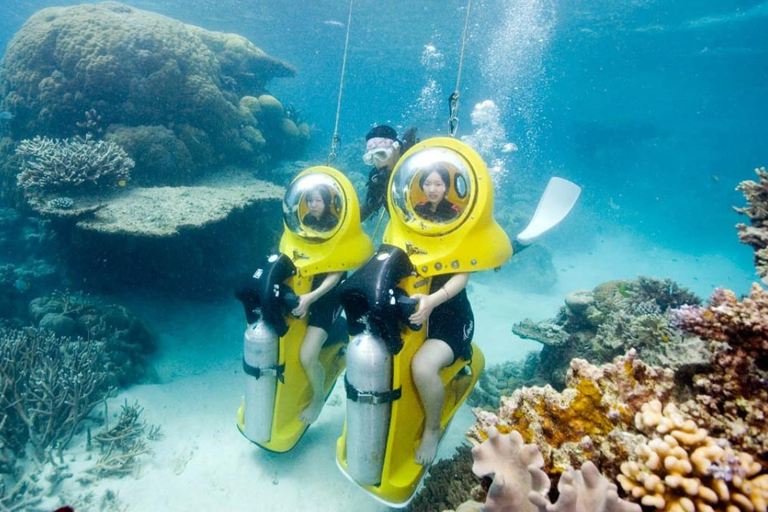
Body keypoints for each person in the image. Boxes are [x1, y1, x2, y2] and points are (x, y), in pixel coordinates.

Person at [407, 162, 473, 466]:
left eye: (438, 184)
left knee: (421, 367)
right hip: (421, 305)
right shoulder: (414, 213)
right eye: (428, 183)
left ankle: (431, 429)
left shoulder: (458, 218)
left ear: (447, 187)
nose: (433, 189)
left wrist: (433, 300)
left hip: (452, 314)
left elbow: (462, 276)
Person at [291, 267, 344, 425]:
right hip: (301, 292)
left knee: (307, 356)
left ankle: (318, 398)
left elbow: (338, 272)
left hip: (327, 300)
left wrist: (310, 298)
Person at [360, 125, 418, 222]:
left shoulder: (416, 166)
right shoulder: (376, 178)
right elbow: (369, 206)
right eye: (372, 158)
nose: (378, 162)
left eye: (382, 154)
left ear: (397, 148)